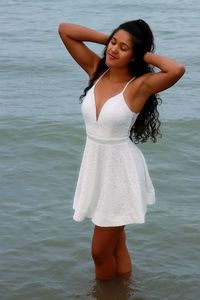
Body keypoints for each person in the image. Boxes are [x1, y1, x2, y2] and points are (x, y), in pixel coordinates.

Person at [58, 19, 185, 281]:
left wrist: (142, 52)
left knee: (99, 252)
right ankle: (123, 289)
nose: (114, 50)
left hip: (119, 173)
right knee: (116, 243)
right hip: (97, 167)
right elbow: (66, 30)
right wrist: (111, 40)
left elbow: (176, 69)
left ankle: (107, 294)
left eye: (123, 47)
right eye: (114, 43)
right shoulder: (96, 70)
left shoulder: (139, 86)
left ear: (134, 55)